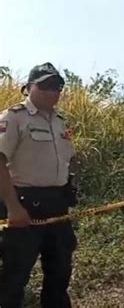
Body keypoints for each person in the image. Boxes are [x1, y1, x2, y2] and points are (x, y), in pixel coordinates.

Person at [0, 62, 78, 308]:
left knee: (60, 271)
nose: (52, 91)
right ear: (29, 87)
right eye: (44, 85)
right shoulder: (14, 118)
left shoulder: (60, 122)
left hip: (57, 206)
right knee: (15, 275)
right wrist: (13, 208)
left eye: (57, 86)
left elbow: (65, 161)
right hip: (23, 204)